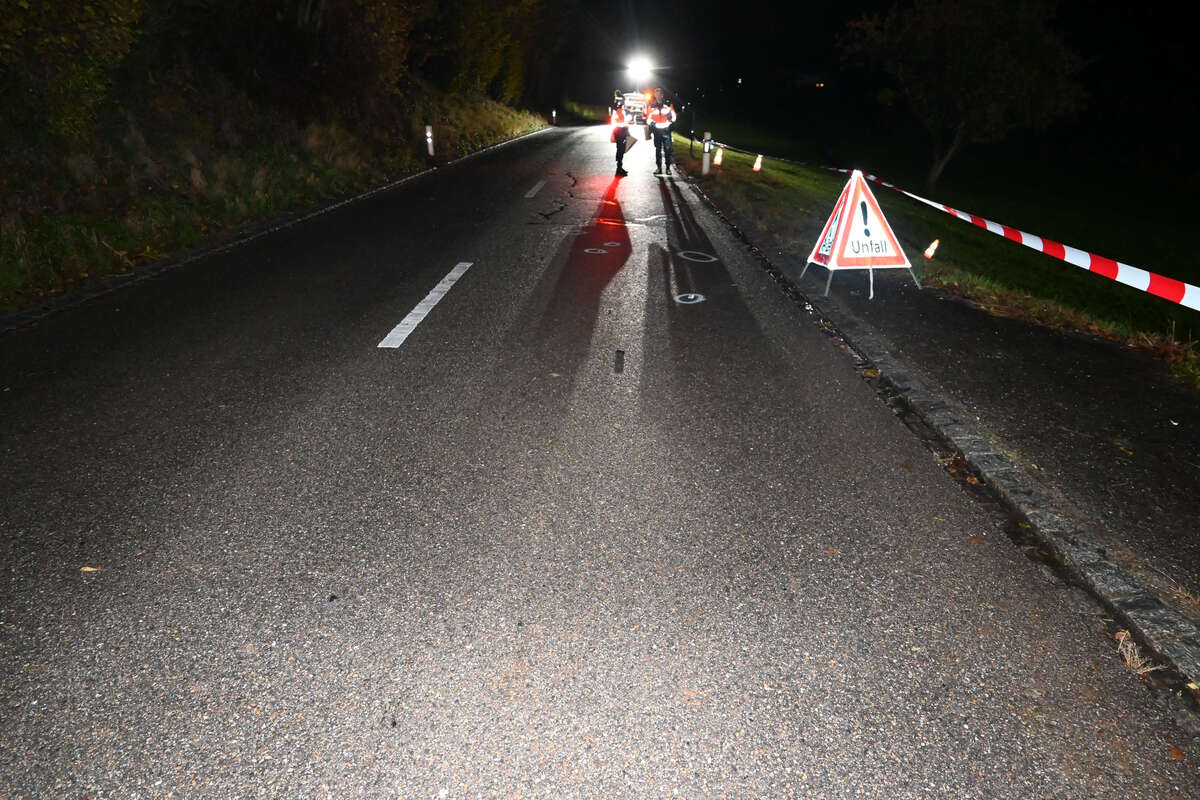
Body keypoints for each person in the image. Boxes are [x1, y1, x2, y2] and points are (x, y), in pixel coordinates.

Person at [647, 87, 677, 175]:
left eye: (659, 94)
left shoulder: (668, 105)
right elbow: (648, 118)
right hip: (657, 131)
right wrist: (652, 123)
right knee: (658, 150)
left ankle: (668, 168)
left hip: (666, 130)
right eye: (656, 94)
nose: (657, 96)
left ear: (662, 95)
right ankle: (659, 168)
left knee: (668, 150)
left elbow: (674, 117)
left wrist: (670, 117)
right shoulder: (652, 106)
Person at [610, 93, 629, 177]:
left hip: (622, 130)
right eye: (623, 100)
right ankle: (619, 168)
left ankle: (620, 167)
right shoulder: (618, 110)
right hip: (619, 131)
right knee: (620, 149)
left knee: (621, 149)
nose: (624, 102)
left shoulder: (621, 110)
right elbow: (619, 120)